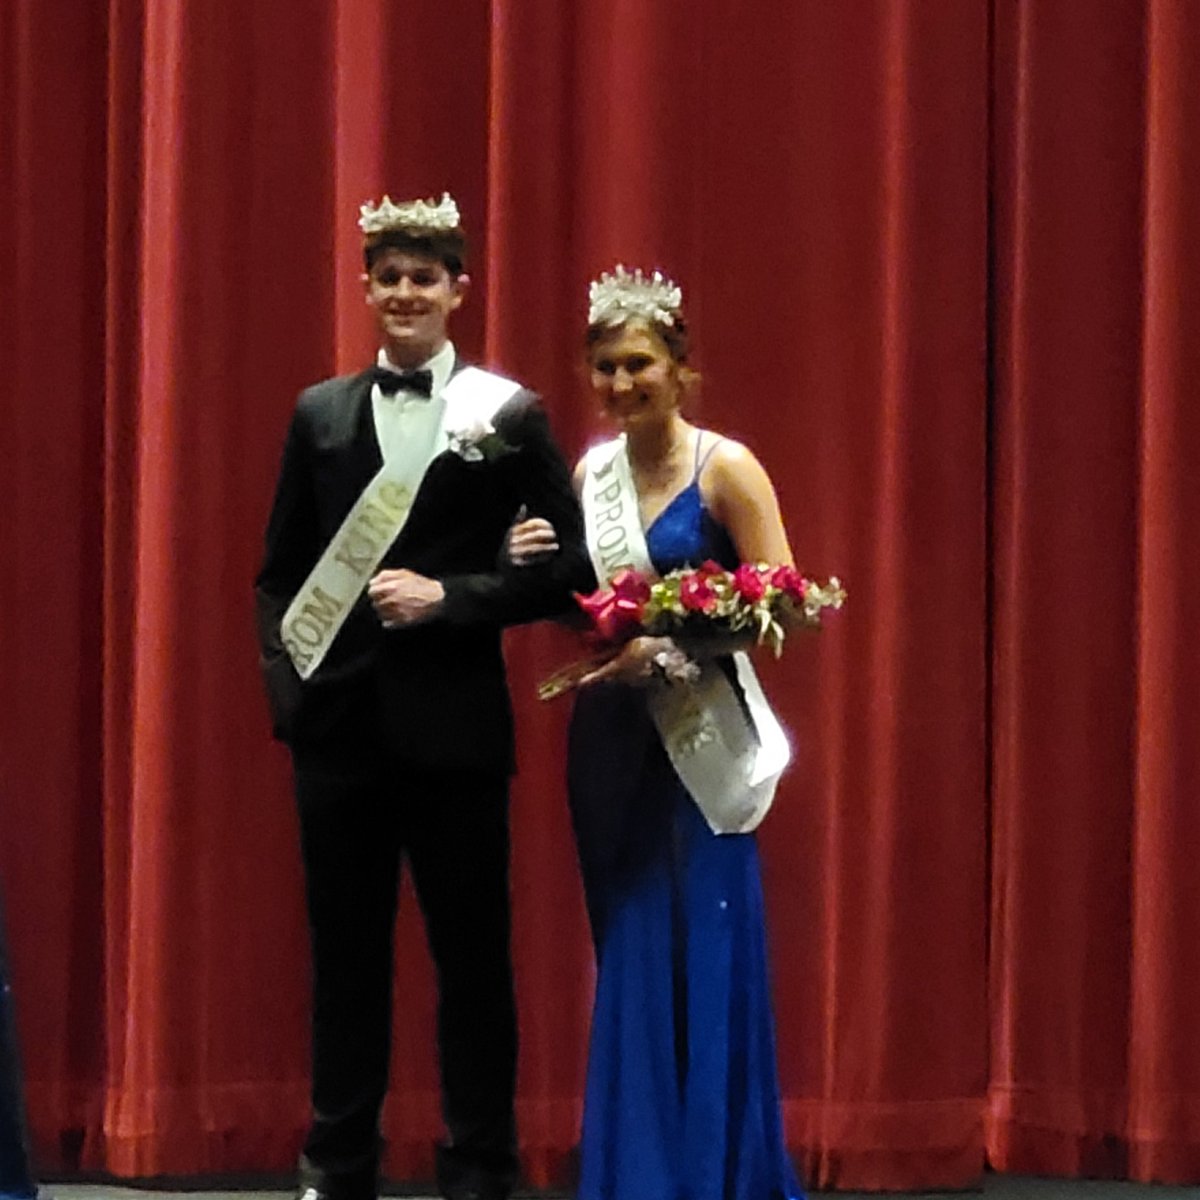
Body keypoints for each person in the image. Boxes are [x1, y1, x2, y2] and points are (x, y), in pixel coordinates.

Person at [254, 193, 590, 1200]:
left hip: (454, 731)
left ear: (458, 291)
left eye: (425, 278)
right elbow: (279, 574)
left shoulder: (506, 414)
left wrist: (457, 596)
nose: (406, 293)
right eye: (389, 277)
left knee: (472, 961)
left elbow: (572, 570)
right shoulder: (317, 411)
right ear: (366, 289)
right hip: (339, 737)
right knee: (345, 961)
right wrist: (291, 700)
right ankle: (336, 1159)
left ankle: (481, 1161)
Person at [509, 266, 806, 1200]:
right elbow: (581, 607)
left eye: (638, 363)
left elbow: (787, 606)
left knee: (703, 943)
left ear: (680, 369)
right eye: (604, 368)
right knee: (632, 949)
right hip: (613, 743)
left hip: (701, 743)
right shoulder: (590, 475)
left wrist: (678, 643)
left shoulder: (729, 468)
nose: (621, 383)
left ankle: (713, 1172)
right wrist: (528, 561)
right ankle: (639, 1173)